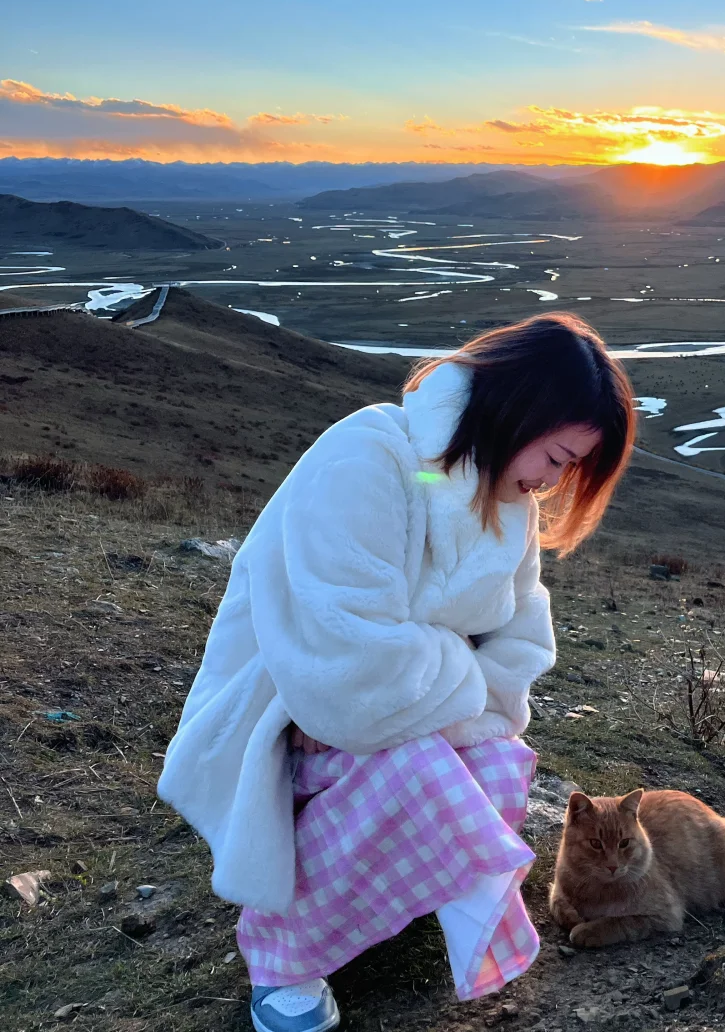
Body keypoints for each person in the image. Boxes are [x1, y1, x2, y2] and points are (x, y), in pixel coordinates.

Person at [158, 313, 636, 1032]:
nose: (552, 481)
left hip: (388, 711)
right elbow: (350, 663)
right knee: (416, 770)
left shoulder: (508, 503)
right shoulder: (368, 456)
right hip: (285, 717)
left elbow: (520, 644)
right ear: (520, 411)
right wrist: (456, 673)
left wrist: (432, 679)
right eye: (559, 456)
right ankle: (281, 957)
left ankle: (377, 903)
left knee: (501, 764)